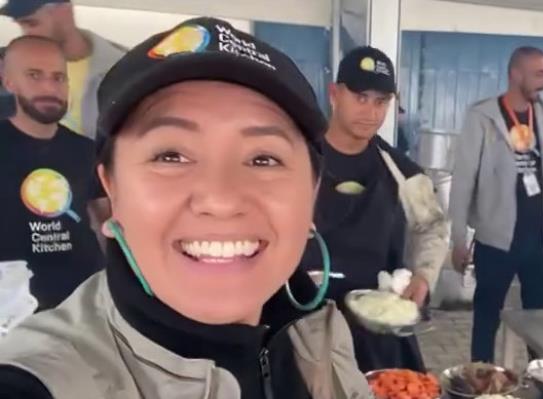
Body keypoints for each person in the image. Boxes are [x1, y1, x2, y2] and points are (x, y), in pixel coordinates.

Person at [0, 17, 372, 399]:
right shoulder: (41, 380)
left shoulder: (320, 334)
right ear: (112, 190)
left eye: (263, 159)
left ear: (311, 192)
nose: (220, 199)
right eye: (171, 155)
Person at [301, 46, 448, 372]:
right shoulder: (297, 160)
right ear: (334, 93)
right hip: (305, 327)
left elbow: (433, 226)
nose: (370, 111)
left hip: (378, 331)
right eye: (361, 97)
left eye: (381, 101)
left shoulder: (403, 173)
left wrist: (424, 275)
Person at [450, 46, 543, 363]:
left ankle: (541, 378)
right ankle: (481, 380)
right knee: (486, 318)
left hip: (540, 242)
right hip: (495, 241)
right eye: (539, 73)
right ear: (516, 74)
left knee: (540, 323)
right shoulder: (482, 117)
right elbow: (462, 181)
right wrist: (458, 239)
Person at [0, 35, 108, 311]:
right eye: (34, 75)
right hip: (12, 316)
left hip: (86, 308)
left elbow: (109, 224)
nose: (50, 87)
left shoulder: (87, 150)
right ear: (7, 80)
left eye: (59, 77)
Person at [1, 0, 125, 138]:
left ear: (64, 11)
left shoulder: (127, 69)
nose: (27, 34)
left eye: (32, 23)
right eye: (22, 26)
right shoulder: (11, 66)